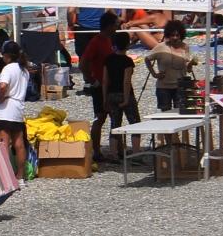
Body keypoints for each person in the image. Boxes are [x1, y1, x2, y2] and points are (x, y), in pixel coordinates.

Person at [79, 12, 121, 157]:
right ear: (109, 26)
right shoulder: (96, 41)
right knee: (100, 118)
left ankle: (117, 149)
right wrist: (92, 80)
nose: (117, 28)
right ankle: (96, 151)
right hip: (99, 85)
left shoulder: (109, 40)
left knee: (115, 117)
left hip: (110, 85)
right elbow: (83, 63)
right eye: (116, 25)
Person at [0, 40, 30, 181]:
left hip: (5, 109)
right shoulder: (24, 70)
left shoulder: (8, 69)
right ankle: (20, 175)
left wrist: (0, 98)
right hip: (17, 108)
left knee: (3, 143)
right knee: (19, 143)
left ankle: (5, 176)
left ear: (6, 55)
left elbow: (3, 86)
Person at [97, 32, 136, 163]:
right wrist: (126, 99)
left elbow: (105, 81)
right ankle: (136, 153)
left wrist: (104, 99)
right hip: (125, 94)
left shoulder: (108, 60)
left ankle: (113, 153)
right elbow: (126, 81)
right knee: (135, 122)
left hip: (111, 95)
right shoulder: (128, 61)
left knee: (115, 124)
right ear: (127, 45)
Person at [144, 20, 197, 114]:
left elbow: (187, 69)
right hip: (163, 87)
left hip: (180, 86)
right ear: (168, 35)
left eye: (177, 35)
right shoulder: (161, 47)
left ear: (181, 35)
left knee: (181, 113)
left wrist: (191, 64)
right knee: (166, 115)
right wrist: (154, 74)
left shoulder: (185, 47)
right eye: (172, 35)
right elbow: (147, 59)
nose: (175, 37)